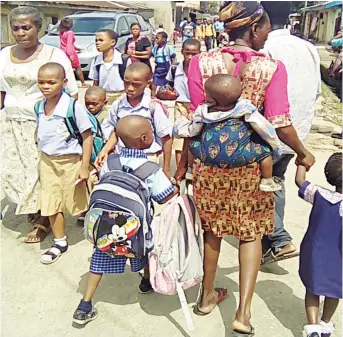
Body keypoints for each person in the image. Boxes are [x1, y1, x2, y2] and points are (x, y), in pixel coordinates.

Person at [177, 2, 315, 335]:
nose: (268, 33)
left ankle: (206, 297)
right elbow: (280, 122)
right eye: (266, 27)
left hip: (210, 165)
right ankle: (243, 313)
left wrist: (184, 164)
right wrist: (302, 152)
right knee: (250, 234)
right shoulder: (271, 67)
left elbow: (197, 118)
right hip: (252, 166)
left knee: (212, 229)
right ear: (254, 29)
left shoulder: (200, 62)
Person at [73, 115, 177, 326]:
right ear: (146, 139)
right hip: (136, 229)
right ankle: (146, 281)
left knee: (99, 260)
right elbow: (165, 197)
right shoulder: (151, 169)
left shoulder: (109, 162)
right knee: (147, 249)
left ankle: (85, 304)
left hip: (106, 229)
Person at [0, 6, 78, 243]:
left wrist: (63, 128)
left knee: (43, 174)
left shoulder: (54, 56)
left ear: (39, 28)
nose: (21, 33)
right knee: (16, 173)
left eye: (27, 27)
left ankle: (45, 222)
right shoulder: (4, 55)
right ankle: (34, 208)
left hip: (43, 126)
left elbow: (71, 94)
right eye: (16, 28)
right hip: (11, 124)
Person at [261, 1, 321, 263]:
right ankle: (272, 240)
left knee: (261, 183)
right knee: (275, 181)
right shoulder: (308, 48)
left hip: (273, 131)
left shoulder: (265, 48)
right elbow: (317, 91)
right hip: (298, 131)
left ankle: (278, 237)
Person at [175, 74, 282, 192]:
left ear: (212, 100)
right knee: (265, 152)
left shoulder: (204, 112)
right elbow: (263, 127)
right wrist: (274, 146)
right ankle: (267, 180)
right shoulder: (244, 108)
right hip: (239, 156)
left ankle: (191, 170)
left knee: (192, 142)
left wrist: (179, 127)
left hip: (208, 156)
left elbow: (193, 131)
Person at [35, 63, 92, 264]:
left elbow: (87, 136)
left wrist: (84, 166)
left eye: (51, 82)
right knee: (51, 201)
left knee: (75, 200)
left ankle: (91, 219)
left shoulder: (72, 106)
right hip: (48, 161)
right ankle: (59, 241)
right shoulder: (39, 106)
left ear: (64, 82)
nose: (45, 86)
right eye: (41, 82)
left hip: (71, 161)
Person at [98, 63, 173, 178]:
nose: (130, 88)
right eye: (126, 83)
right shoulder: (118, 106)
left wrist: (166, 168)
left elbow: (166, 137)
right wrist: (105, 150)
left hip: (148, 158)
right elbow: (116, 132)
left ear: (147, 83)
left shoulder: (152, 107)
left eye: (136, 85)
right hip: (122, 158)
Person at [295, 153, 342, 337]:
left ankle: (312, 327)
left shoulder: (320, 194)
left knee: (312, 289)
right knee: (334, 291)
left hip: (314, 252)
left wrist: (302, 161)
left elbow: (299, 181)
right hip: (339, 257)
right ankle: (325, 323)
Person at [166, 39, 201, 167]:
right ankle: (181, 167)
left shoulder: (202, 69)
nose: (190, 57)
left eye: (194, 54)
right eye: (187, 53)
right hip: (180, 106)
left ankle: (192, 167)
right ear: (182, 52)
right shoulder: (175, 68)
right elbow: (169, 85)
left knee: (194, 138)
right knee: (179, 139)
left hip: (197, 107)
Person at [89, 29, 131, 116]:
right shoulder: (97, 60)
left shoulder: (124, 60)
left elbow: (130, 82)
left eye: (101, 40)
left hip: (121, 97)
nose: (97, 43)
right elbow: (95, 83)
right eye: (96, 40)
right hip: (104, 99)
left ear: (112, 42)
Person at [58, 18, 88, 88]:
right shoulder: (70, 33)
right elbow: (69, 45)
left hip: (62, 52)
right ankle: (83, 83)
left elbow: (64, 43)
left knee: (64, 69)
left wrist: (76, 48)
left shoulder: (61, 32)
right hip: (70, 52)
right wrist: (71, 54)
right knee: (78, 68)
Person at [151, 32, 176, 97]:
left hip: (166, 67)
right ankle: (153, 96)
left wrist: (173, 66)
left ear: (164, 39)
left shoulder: (168, 47)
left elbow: (173, 57)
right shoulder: (155, 48)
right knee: (154, 82)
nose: (155, 39)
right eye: (155, 38)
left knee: (168, 81)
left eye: (157, 38)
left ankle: (170, 94)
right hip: (158, 67)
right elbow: (151, 55)